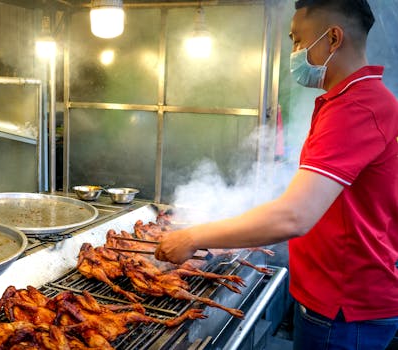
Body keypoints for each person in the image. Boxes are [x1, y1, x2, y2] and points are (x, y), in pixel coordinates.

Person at [154, 0, 398, 349]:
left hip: (343, 308)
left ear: (333, 38)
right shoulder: (360, 100)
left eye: (298, 40)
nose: (295, 52)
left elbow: (295, 216)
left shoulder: (356, 107)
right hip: (340, 299)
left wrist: (193, 237)